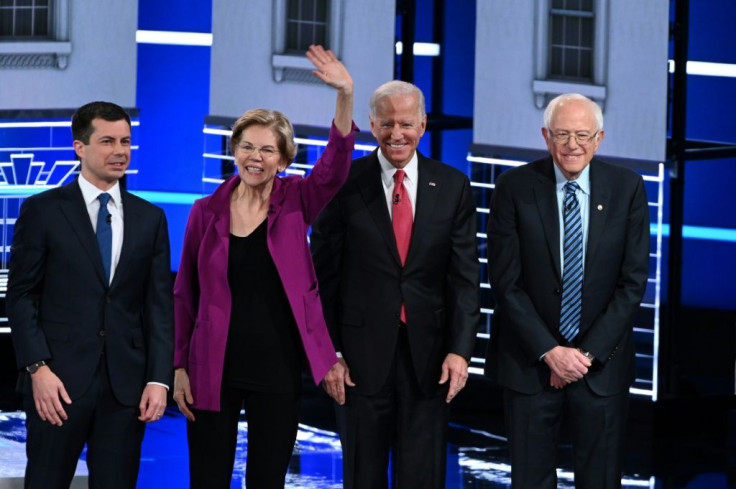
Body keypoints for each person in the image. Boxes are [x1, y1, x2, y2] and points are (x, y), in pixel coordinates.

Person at [171, 44, 355, 489]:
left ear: (284, 159)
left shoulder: (296, 202)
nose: (256, 156)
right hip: (212, 365)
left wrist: (345, 95)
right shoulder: (205, 211)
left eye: (268, 150)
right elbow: (185, 294)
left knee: (267, 480)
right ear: (235, 150)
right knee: (209, 478)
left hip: (278, 365)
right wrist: (177, 367)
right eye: (247, 146)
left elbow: (332, 171)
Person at [311, 80, 480, 489]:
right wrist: (328, 352)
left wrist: (460, 350)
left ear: (422, 125)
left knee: (422, 476)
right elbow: (321, 276)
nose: (397, 133)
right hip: (358, 358)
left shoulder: (453, 186)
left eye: (406, 123)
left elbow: (464, 279)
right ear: (372, 124)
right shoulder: (345, 184)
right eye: (387, 123)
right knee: (363, 475)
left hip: (430, 358)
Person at [485, 93, 650, 488]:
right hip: (529, 365)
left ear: (599, 138)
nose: (572, 145)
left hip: (601, 370)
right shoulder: (513, 187)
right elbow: (505, 282)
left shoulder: (627, 188)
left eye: (581, 135)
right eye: (562, 134)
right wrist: (551, 352)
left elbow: (633, 282)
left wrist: (583, 355)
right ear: (546, 136)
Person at [7, 101, 174, 489]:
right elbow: (21, 296)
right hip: (57, 385)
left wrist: (158, 380)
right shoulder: (43, 211)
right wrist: (38, 369)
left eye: (126, 141)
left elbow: (159, 306)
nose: (120, 151)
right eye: (108, 141)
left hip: (126, 389)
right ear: (79, 147)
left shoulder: (150, 218)